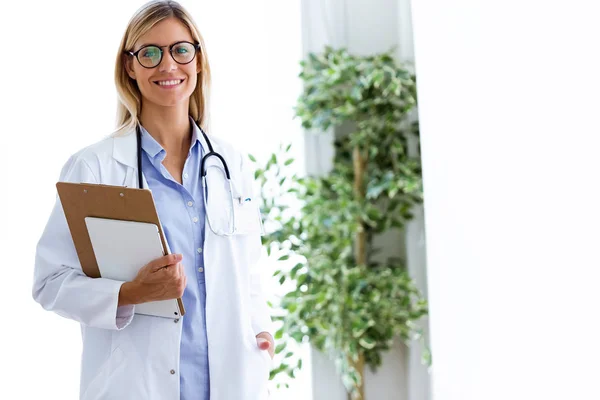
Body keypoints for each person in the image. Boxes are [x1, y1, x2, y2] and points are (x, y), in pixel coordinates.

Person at [32, 1, 274, 399]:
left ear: (198, 59)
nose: (168, 66)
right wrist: (130, 293)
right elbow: (50, 282)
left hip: (231, 382)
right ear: (130, 66)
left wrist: (261, 328)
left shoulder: (229, 163)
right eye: (150, 53)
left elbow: (246, 272)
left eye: (181, 49)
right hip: (137, 385)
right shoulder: (95, 167)